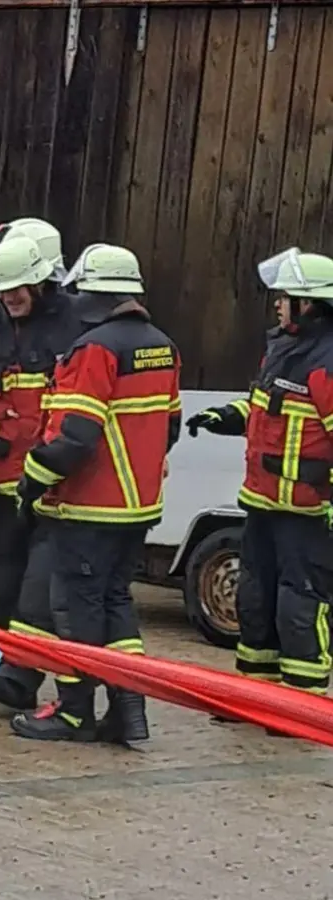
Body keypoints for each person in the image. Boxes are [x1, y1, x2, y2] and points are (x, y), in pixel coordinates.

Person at [12, 243, 181, 744]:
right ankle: (129, 709)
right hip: (137, 509)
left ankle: (74, 710)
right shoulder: (163, 345)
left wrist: (31, 481)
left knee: (74, 609)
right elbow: (170, 424)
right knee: (115, 605)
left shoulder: (94, 350)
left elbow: (75, 437)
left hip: (88, 507)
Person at [0, 233, 86, 710]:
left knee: (41, 589)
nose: (10, 298)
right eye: (2, 291)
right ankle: (4, 670)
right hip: (3, 480)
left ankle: (27, 678)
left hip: (55, 486)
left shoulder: (76, 319)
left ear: (43, 280)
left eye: (18, 289)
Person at [186, 248, 333, 698]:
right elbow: (263, 408)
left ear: (308, 304)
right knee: (254, 600)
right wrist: (223, 417)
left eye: (284, 296)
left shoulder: (327, 361)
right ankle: (257, 697)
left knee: (299, 605)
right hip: (263, 504)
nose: (276, 303)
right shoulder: (284, 349)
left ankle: (302, 702)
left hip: (306, 512)